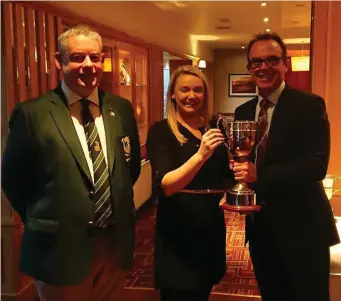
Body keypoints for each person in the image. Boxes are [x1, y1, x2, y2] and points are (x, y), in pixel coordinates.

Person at [1, 25, 141, 301]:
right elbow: (14, 181)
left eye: (95, 57)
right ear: (59, 61)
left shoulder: (120, 109)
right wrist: (49, 219)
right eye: (77, 57)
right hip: (59, 250)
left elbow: (129, 168)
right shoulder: (33, 114)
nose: (88, 65)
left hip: (113, 246)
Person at [231, 32, 340, 301]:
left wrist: (261, 175)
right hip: (261, 232)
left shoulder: (309, 105)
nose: (263, 67)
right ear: (249, 68)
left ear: (285, 64)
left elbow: (316, 165)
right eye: (256, 62)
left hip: (303, 231)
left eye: (271, 60)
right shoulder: (243, 111)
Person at [146, 65, 233, 301]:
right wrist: (201, 155)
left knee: (202, 293)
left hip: (210, 229)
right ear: (172, 94)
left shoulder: (211, 130)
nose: (191, 96)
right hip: (178, 233)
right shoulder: (161, 131)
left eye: (198, 90)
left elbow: (224, 177)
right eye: (184, 90)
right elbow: (167, 185)